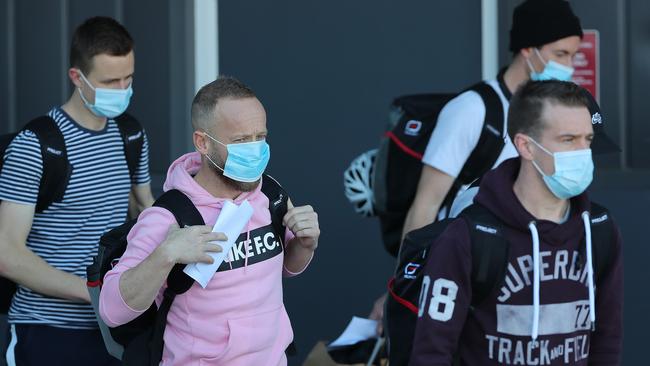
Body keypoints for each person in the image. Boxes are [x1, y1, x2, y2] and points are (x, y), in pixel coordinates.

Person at [370, 0, 586, 327]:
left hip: (526, 282)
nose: (569, 66)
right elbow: (425, 207)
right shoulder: (472, 110)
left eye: (573, 55)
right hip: (464, 278)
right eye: (560, 54)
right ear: (528, 50)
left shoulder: (555, 116)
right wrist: (405, 288)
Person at [99, 76, 320, 366]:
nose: (254, 149)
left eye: (260, 137)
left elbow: (282, 269)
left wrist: (305, 244)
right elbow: (112, 310)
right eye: (241, 140)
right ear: (203, 142)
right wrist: (165, 255)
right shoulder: (168, 216)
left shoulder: (270, 192)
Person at [410, 80, 623, 365]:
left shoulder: (598, 228)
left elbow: (606, 340)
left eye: (588, 139)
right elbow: (431, 352)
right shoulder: (467, 236)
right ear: (526, 146)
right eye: (568, 139)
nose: (584, 153)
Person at [0, 16, 153, 365]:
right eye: (110, 81)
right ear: (77, 78)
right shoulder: (35, 146)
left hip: (115, 329)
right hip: (47, 331)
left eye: (128, 78)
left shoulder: (131, 134)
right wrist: (94, 292)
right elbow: (6, 254)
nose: (122, 89)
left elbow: (146, 209)